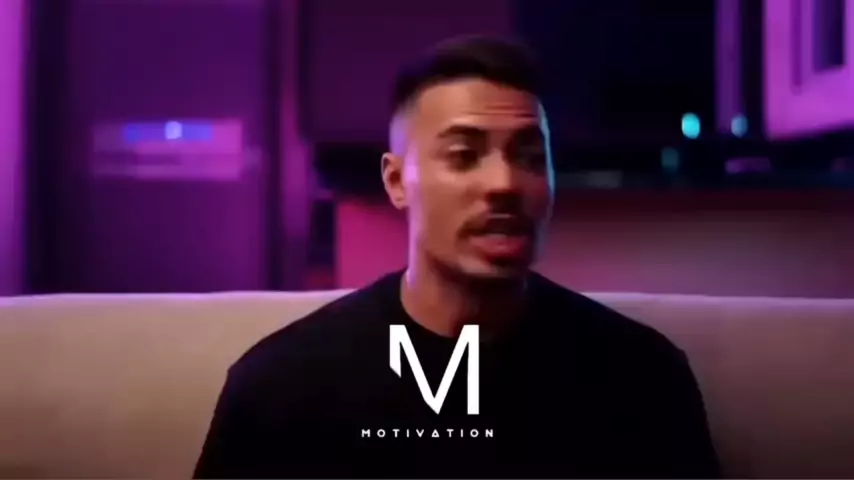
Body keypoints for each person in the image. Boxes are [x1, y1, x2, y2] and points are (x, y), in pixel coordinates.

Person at [194, 35, 720, 479]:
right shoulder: (284, 388)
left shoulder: (641, 379)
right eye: (464, 156)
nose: (505, 183)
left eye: (529, 157)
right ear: (397, 181)